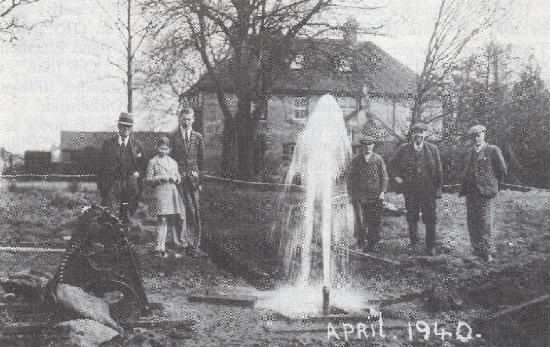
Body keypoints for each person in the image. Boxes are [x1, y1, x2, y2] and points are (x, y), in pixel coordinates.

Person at [459, 124, 507, 262]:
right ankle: (476, 249)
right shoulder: (470, 152)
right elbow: (466, 170)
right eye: (473, 136)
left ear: (484, 134)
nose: (476, 138)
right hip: (471, 192)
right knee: (472, 221)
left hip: (486, 193)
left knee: (485, 222)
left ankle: (487, 252)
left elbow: (501, 170)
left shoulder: (492, 150)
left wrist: (493, 186)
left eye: (479, 135)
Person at [393, 123, 442, 256]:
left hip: (428, 190)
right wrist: (397, 178)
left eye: (421, 132)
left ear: (425, 134)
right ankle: (414, 244)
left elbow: (438, 171)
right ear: (412, 135)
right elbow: (392, 165)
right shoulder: (403, 149)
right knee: (412, 216)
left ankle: (430, 246)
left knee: (430, 217)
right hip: (410, 190)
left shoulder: (433, 149)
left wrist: (438, 191)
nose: (418, 135)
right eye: (415, 132)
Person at [97, 112, 146, 224]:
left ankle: (123, 239)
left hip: (130, 185)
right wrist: (102, 187)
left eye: (128, 126)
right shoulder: (108, 144)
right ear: (118, 126)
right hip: (112, 184)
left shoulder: (138, 146)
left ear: (132, 128)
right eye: (123, 125)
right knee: (109, 214)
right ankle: (109, 239)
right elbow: (101, 166)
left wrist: (137, 174)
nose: (125, 129)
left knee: (126, 215)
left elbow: (143, 166)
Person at [169, 107, 205, 256]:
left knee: (194, 211)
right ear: (180, 119)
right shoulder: (173, 137)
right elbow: (169, 159)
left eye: (189, 119)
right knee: (179, 212)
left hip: (193, 180)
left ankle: (194, 245)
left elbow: (201, 161)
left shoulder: (198, 137)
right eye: (184, 119)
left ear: (193, 120)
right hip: (178, 180)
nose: (187, 122)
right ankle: (180, 243)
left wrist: (200, 180)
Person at [146, 137, 186, 258]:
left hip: (171, 193)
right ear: (157, 148)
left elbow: (178, 176)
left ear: (169, 149)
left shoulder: (173, 162)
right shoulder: (152, 161)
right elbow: (148, 179)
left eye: (166, 148)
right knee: (161, 219)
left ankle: (165, 246)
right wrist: (161, 178)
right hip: (159, 193)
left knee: (169, 220)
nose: (163, 151)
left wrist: (177, 178)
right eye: (161, 148)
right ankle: (158, 247)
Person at [347, 135, 388, 252]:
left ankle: (373, 243)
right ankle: (361, 242)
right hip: (360, 195)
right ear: (362, 146)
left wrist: (382, 192)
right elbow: (351, 178)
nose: (367, 147)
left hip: (375, 195)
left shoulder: (378, 159)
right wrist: (352, 194)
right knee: (361, 220)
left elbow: (384, 177)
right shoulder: (356, 160)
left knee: (375, 219)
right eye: (365, 145)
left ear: (373, 146)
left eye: (369, 145)